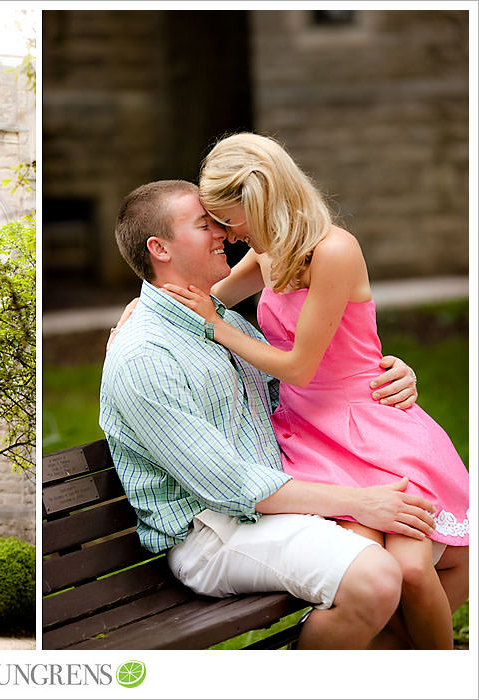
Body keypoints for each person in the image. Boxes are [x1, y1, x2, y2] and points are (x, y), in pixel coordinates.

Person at [100, 179, 460, 649]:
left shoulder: (218, 320)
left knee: (451, 557)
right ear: (159, 248)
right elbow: (228, 485)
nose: (224, 234)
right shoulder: (145, 356)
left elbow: (291, 390)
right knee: (376, 577)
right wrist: (358, 501)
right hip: (214, 530)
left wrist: (385, 372)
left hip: (272, 504)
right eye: (205, 224)